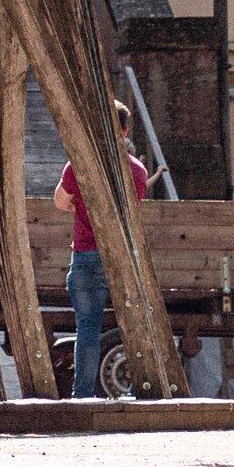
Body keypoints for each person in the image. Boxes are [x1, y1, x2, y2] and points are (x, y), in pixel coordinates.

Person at [52, 100, 153, 398]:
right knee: (133, 324)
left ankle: (82, 394)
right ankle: (138, 387)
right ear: (125, 131)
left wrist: (76, 204)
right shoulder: (137, 171)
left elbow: (60, 201)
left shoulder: (78, 165)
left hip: (85, 254)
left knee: (88, 328)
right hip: (122, 257)